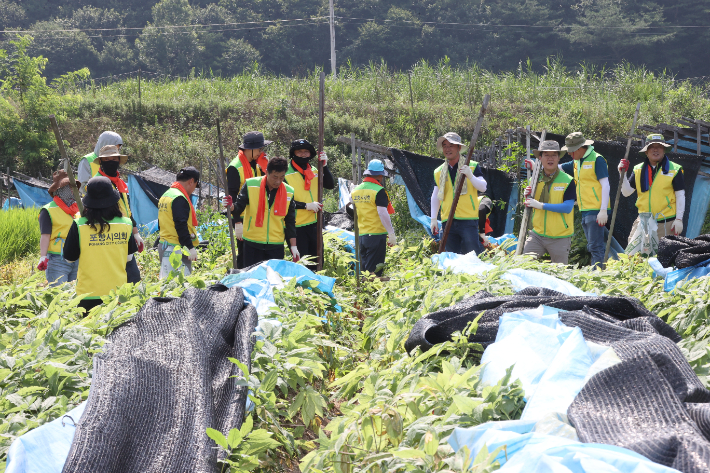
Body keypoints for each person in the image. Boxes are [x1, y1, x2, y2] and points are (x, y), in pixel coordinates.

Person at [63, 177, 138, 313]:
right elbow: (129, 258)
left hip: (87, 295)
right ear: (114, 200)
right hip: (117, 295)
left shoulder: (79, 225)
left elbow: (69, 258)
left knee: (90, 332)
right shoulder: (126, 224)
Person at [222, 157, 298, 267]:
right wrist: (231, 206)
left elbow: (290, 221)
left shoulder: (289, 191)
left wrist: (293, 246)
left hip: (275, 244)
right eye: (275, 177)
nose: (278, 181)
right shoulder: (251, 185)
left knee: (273, 280)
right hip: (252, 243)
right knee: (252, 278)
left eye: (282, 177)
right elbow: (239, 207)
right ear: (267, 172)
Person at [93, 144, 144, 283]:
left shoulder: (120, 183)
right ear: (101, 162)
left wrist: (135, 233)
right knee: (116, 279)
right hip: (109, 237)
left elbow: (127, 210)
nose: (111, 162)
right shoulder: (97, 184)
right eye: (107, 159)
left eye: (114, 159)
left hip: (124, 234)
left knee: (133, 278)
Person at [430, 132, 487, 255]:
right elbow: (436, 195)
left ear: (459, 148)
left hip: (467, 219)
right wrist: (433, 218)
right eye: (444, 146)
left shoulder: (471, 166)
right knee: (451, 256)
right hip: (447, 221)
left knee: (472, 255)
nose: (447, 149)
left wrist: (470, 176)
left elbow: (483, 187)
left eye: (451, 145)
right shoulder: (438, 171)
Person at [619, 133, 685, 239]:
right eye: (652, 147)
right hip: (643, 221)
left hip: (666, 222)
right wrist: (623, 174)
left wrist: (678, 219)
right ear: (646, 151)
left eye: (659, 147)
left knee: (662, 255)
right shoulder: (638, 169)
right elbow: (626, 192)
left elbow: (680, 195)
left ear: (664, 150)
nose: (655, 150)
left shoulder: (675, 169)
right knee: (631, 254)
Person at [560, 132, 611, 267]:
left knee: (595, 247)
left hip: (596, 210)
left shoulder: (597, 159)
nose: (570, 154)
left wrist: (603, 210)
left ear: (579, 148)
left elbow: (605, 185)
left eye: (571, 151)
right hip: (585, 209)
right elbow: (557, 168)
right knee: (593, 246)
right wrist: (537, 166)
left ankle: (598, 277)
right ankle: (599, 273)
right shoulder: (577, 161)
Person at [523, 141, 577, 264]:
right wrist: (526, 196)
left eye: (554, 155)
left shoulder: (568, 181)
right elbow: (528, 203)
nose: (550, 158)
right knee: (522, 265)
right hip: (537, 235)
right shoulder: (534, 179)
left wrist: (541, 205)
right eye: (547, 155)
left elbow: (567, 207)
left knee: (560, 273)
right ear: (540, 158)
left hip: (560, 237)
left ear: (559, 158)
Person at [284, 139, 334, 269]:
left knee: (318, 262)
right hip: (296, 226)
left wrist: (324, 166)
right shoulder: (285, 173)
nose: (303, 154)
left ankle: (317, 288)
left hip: (314, 224)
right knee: (302, 264)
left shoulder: (313, 170)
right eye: (299, 152)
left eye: (306, 152)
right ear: (293, 153)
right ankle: (302, 289)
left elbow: (330, 184)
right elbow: (283, 200)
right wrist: (306, 205)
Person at [226, 131, 271, 269]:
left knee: (258, 253)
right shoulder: (235, 167)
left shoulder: (257, 164)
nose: (261, 152)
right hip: (243, 217)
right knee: (245, 254)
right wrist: (237, 221)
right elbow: (232, 197)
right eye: (259, 149)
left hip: (256, 216)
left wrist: (266, 168)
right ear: (250, 149)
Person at [351, 160, 396, 277]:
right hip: (376, 234)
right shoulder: (379, 191)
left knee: (364, 268)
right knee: (374, 271)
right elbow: (382, 213)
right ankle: (371, 294)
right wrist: (391, 233)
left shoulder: (356, 190)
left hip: (362, 235)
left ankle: (363, 292)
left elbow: (352, 204)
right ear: (380, 176)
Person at [37, 170, 81, 286]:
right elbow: (45, 235)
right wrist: (43, 257)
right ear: (60, 189)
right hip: (58, 260)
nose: (73, 190)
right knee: (60, 295)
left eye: (73, 187)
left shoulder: (78, 209)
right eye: (69, 187)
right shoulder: (48, 211)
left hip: (78, 258)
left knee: (75, 294)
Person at [158, 167, 201, 279]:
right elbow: (181, 225)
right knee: (180, 287)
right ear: (191, 181)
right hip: (176, 249)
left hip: (164, 245)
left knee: (166, 283)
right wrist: (189, 247)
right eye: (195, 186)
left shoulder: (166, 195)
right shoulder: (179, 198)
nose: (193, 190)